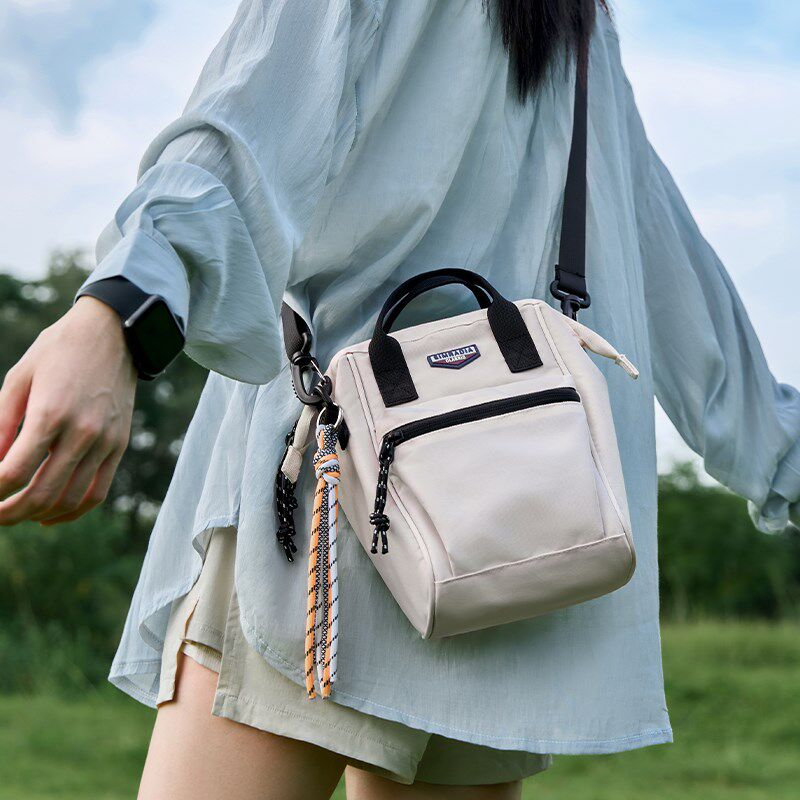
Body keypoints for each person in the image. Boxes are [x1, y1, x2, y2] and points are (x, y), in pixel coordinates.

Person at [1, 1, 798, 798]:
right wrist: (782, 456)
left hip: (332, 513)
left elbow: (247, 123)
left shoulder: (579, 25)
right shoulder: (576, 22)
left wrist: (120, 313)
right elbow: (678, 283)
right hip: (511, 542)